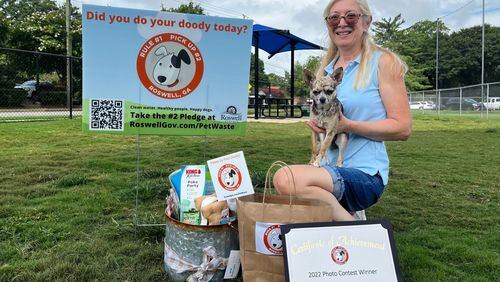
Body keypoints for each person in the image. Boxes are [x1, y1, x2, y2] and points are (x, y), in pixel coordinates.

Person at [273, 0, 412, 221]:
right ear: (328, 24)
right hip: (328, 169)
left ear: (366, 22)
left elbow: (402, 128)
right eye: (334, 18)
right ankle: (347, 223)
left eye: (351, 16)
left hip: (365, 174)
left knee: (285, 179)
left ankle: (355, 228)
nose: (342, 23)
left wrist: (348, 126)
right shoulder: (327, 70)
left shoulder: (383, 62)